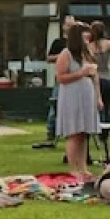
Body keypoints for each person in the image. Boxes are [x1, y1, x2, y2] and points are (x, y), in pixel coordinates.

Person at [53, 22, 102, 178]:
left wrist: (98, 97)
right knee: (74, 132)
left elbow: (95, 77)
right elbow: (60, 77)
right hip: (71, 96)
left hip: (87, 95)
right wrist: (81, 73)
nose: (88, 37)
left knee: (83, 133)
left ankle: (83, 167)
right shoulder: (66, 54)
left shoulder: (86, 53)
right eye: (85, 34)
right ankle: (73, 169)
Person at [41, 15, 75, 146]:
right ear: (63, 27)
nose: (70, 28)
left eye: (72, 25)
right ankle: (51, 131)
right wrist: (62, 56)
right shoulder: (58, 42)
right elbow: (49, 58)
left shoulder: (78, 43)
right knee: (55, 104)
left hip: (75, 77)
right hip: (61, 78)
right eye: (68, 25)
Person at [87, 21, 110, 120]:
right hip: (108, 77)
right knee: (107, 107)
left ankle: (95, 129)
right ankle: (105, 133)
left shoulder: (89, 46)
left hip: (94, 79)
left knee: (94, 107)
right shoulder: (108, 43)